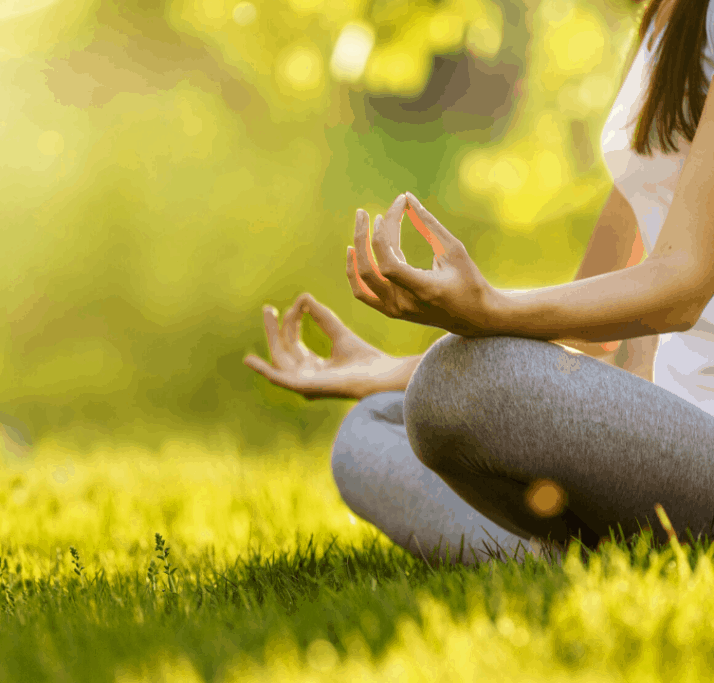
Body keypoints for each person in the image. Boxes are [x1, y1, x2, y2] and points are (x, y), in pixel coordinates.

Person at [244, 0, 714, 564]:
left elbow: (683, 286)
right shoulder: (661, 16)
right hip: (672, 425)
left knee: (454, 390)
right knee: (368, 434)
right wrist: (383, 371)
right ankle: (586, 553)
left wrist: (488, 308)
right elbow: (593, 335)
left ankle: (565, 551)